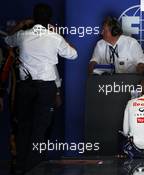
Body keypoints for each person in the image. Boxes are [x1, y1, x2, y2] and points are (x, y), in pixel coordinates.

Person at [4, 3, 77, 174]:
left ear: (33, 18)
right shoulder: (54, 37)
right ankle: (35, 167)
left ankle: (21, 166)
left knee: (23, 127)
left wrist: (21, 25)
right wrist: (59, 35)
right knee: (40, 127)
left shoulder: (22, 35)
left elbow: (7, 40)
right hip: (46, 88)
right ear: (50, 20)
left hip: (25, 88)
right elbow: (73, 54)